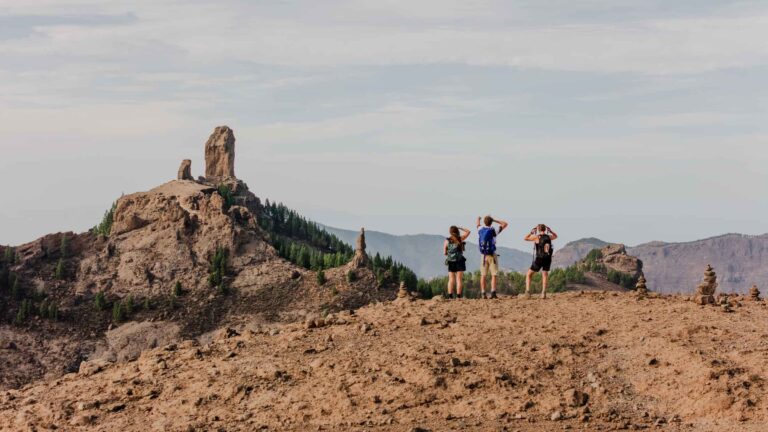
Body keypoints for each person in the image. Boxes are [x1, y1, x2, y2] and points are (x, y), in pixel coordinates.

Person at [477, 215, 508, 299]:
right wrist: (494, 220)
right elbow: (505, 224)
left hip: (483, 255)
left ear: (484, 222)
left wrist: (478, 219)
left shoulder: (480, 229)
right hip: (492, 255)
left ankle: (483, 293)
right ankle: (493, 292)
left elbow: (477, 224)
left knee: (483, 275)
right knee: (494, 274)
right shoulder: (493, 231)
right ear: (491, 222)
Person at [524, 224, 558, 299]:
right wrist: (551, 231)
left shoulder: (536, 237)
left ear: (538, 230)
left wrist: (531, 232)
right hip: (548, 258)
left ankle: (528, 292)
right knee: (545, 275)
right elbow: (556, 236)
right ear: (545, 229)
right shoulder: (549, 237)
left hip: (539, 258)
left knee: (529, 274)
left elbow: (525, 238)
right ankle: (543, 292)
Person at [444, 226, 471, 299]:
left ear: (450, 232)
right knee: (459, 279)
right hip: (460, 261)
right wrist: (461, 228)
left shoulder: (447, 241)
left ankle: (450, 296)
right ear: (457, 231)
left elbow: (445, 253)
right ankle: (458, 297)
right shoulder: (460, 239)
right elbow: (468, 231)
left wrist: (450, 254)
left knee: (451, 279)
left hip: (451, 261)